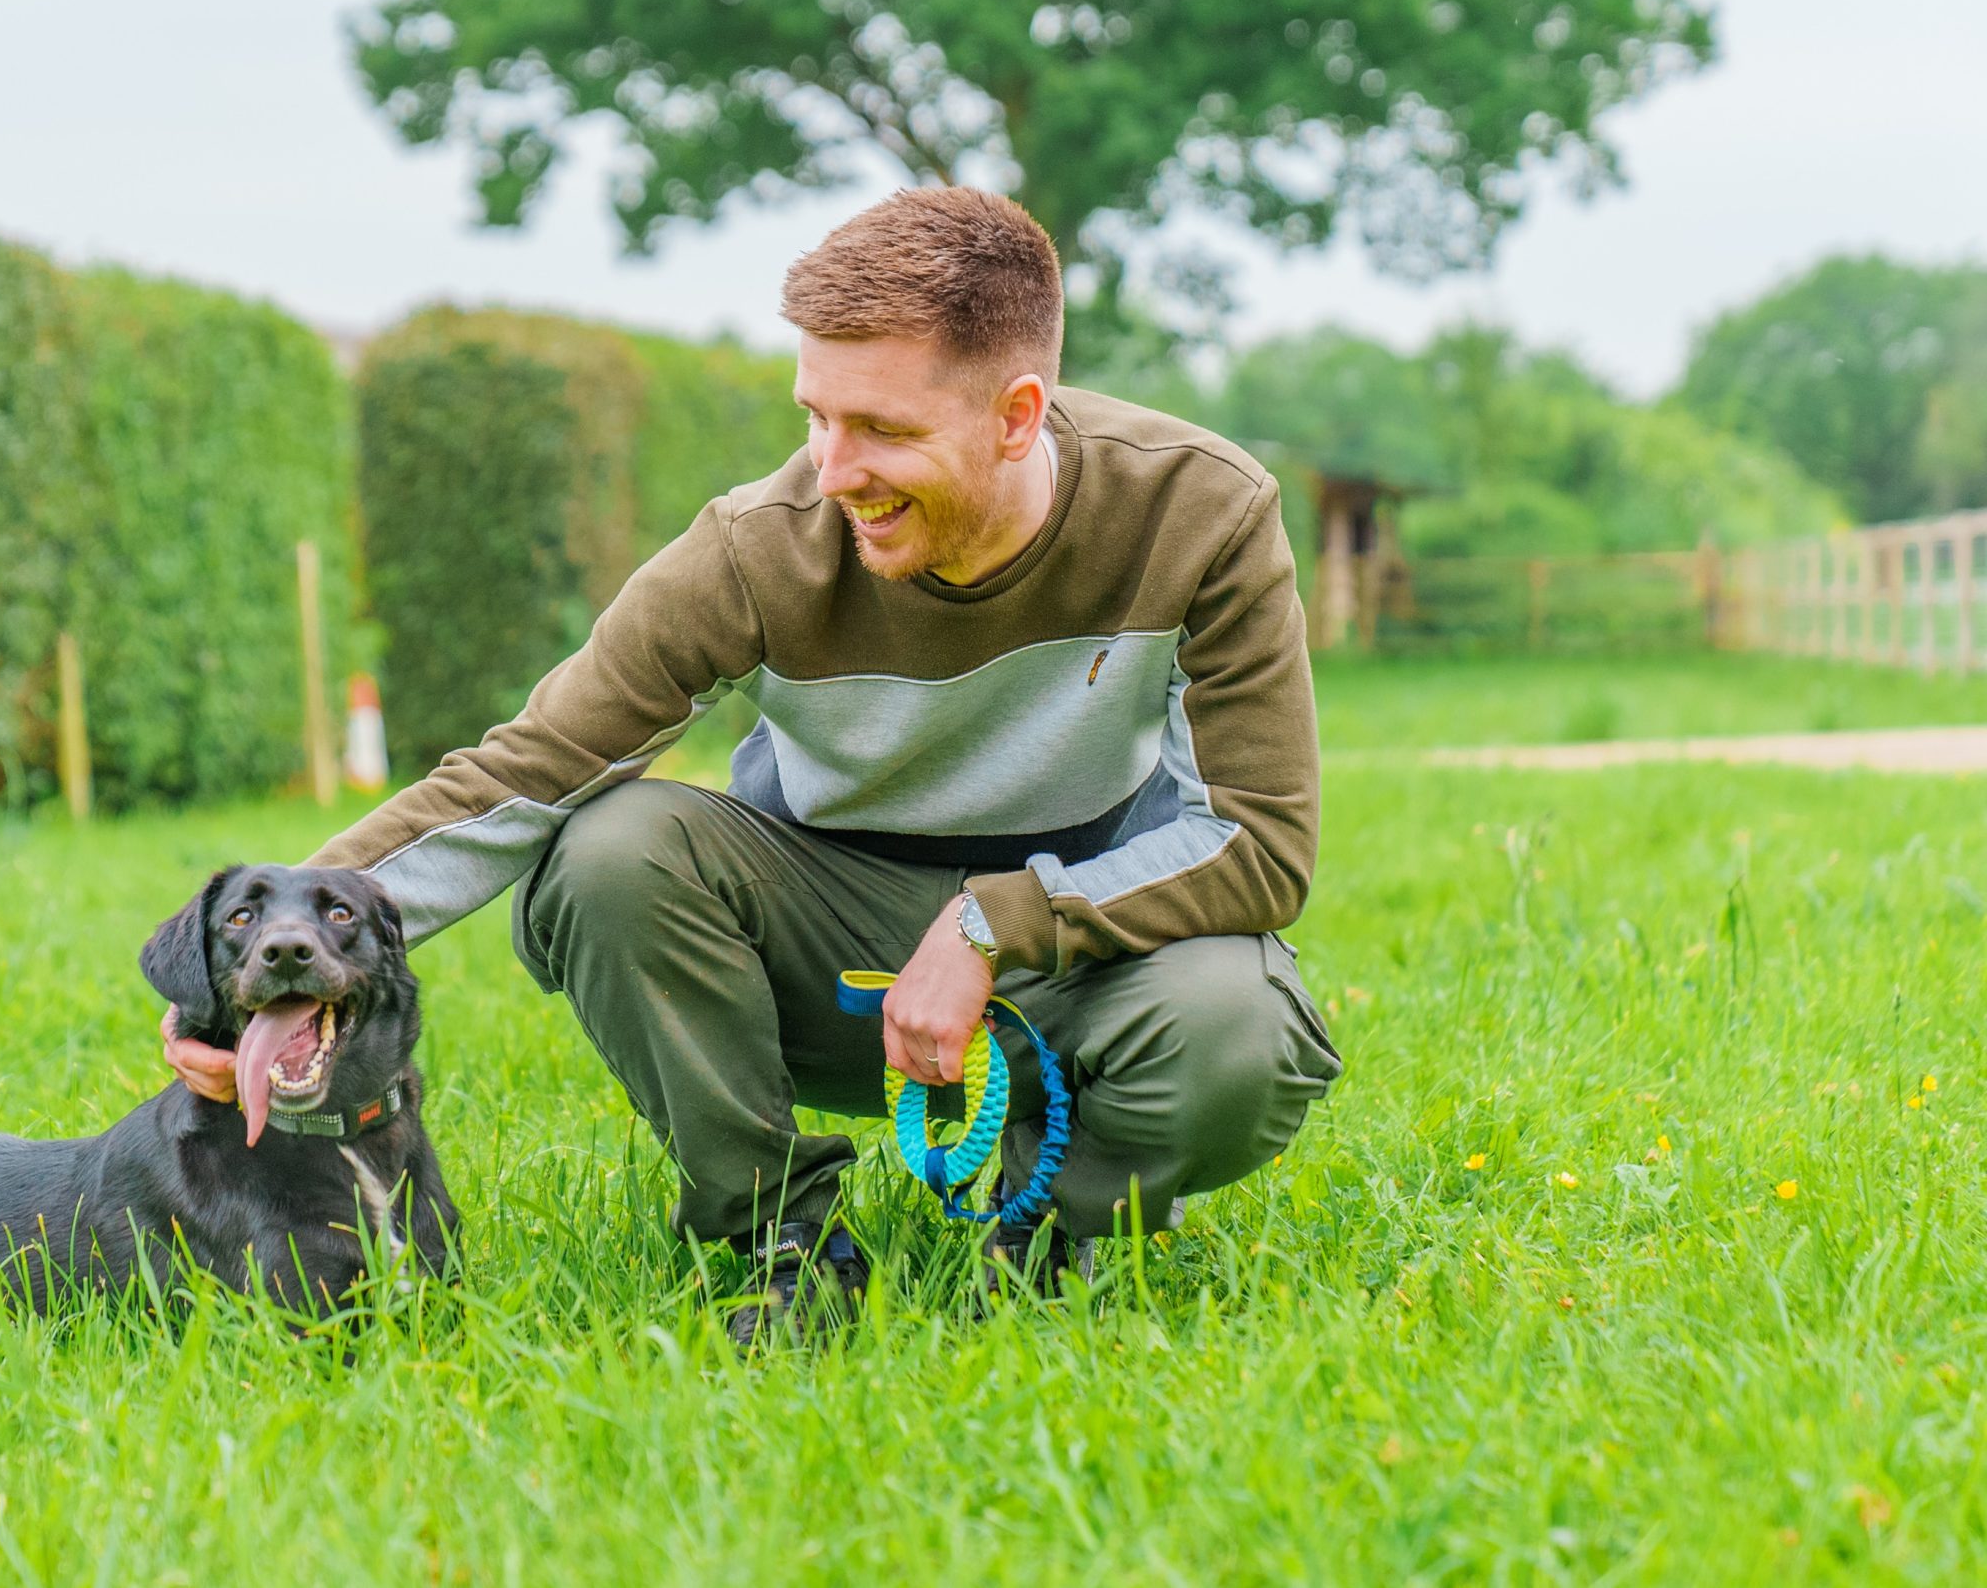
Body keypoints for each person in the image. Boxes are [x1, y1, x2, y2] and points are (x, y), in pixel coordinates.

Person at [161, 186, 1340, 1347]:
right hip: (835, 960)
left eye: (880, 428)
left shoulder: (1201, 513)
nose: (833, 471)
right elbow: (517, 775)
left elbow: (1259, 843)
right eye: (815, 417)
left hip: (1080, 953)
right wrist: (277, 952)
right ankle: (787, 1252)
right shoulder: (755, 548)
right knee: (607, 852)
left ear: (1017, 414)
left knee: (1235, 1021)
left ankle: (1052, 1245)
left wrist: (997, 924)